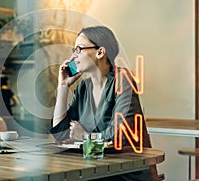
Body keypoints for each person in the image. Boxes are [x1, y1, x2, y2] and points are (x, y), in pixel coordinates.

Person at [50, 26, 158, 181]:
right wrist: (63, 86)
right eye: (74, 50)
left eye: (79, 49)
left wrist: (85, 136)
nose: (73, 56)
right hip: (96, 170)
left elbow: (118, 138)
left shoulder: (123, 80)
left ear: (100, 52)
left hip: (125, 173)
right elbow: (60, 134)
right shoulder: (83, 87)